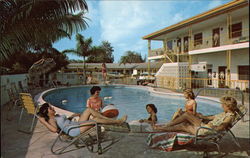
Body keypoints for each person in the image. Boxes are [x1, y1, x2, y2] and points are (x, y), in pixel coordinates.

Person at [153, 96, 239, 135]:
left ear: (228, 106)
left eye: (223, 105)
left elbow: (221, 127)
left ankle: (165, 126)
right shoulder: (224, 113)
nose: (221, 106)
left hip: (206, 129)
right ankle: (163, 127)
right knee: (184, 124)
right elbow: (211, 117)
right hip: (205, 125)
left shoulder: (229, 116)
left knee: (186, 116)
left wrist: (211, 126)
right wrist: (202, 116)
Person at [37, 103, 127, 137]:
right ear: (47, 112)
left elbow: (64, 123)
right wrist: (43, 122)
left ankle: (109, 120)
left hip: (75, 124)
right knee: (96, 120)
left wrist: (72, 116)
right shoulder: (51, 120)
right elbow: (54, 130)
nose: (52, 107)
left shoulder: (56, 116)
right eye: (50, 108)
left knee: (88, 109)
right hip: (74, 130)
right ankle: (117, 122)